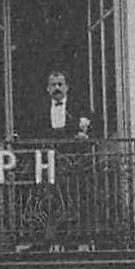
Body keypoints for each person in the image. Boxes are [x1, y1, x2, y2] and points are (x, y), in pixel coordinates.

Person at [17, 70, 100, 249]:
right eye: (53, 85)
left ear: (67, 87)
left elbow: (96, 131)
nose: (57, 88)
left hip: (73, 166)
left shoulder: (80, 109)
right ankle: (43, 239)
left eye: (60, 84)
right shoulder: (39, 111)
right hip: (47, 165)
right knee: (46, 200)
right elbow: (33, 133)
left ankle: (76, 237)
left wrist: (84, 137)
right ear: (47, 89)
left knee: (74, 198)